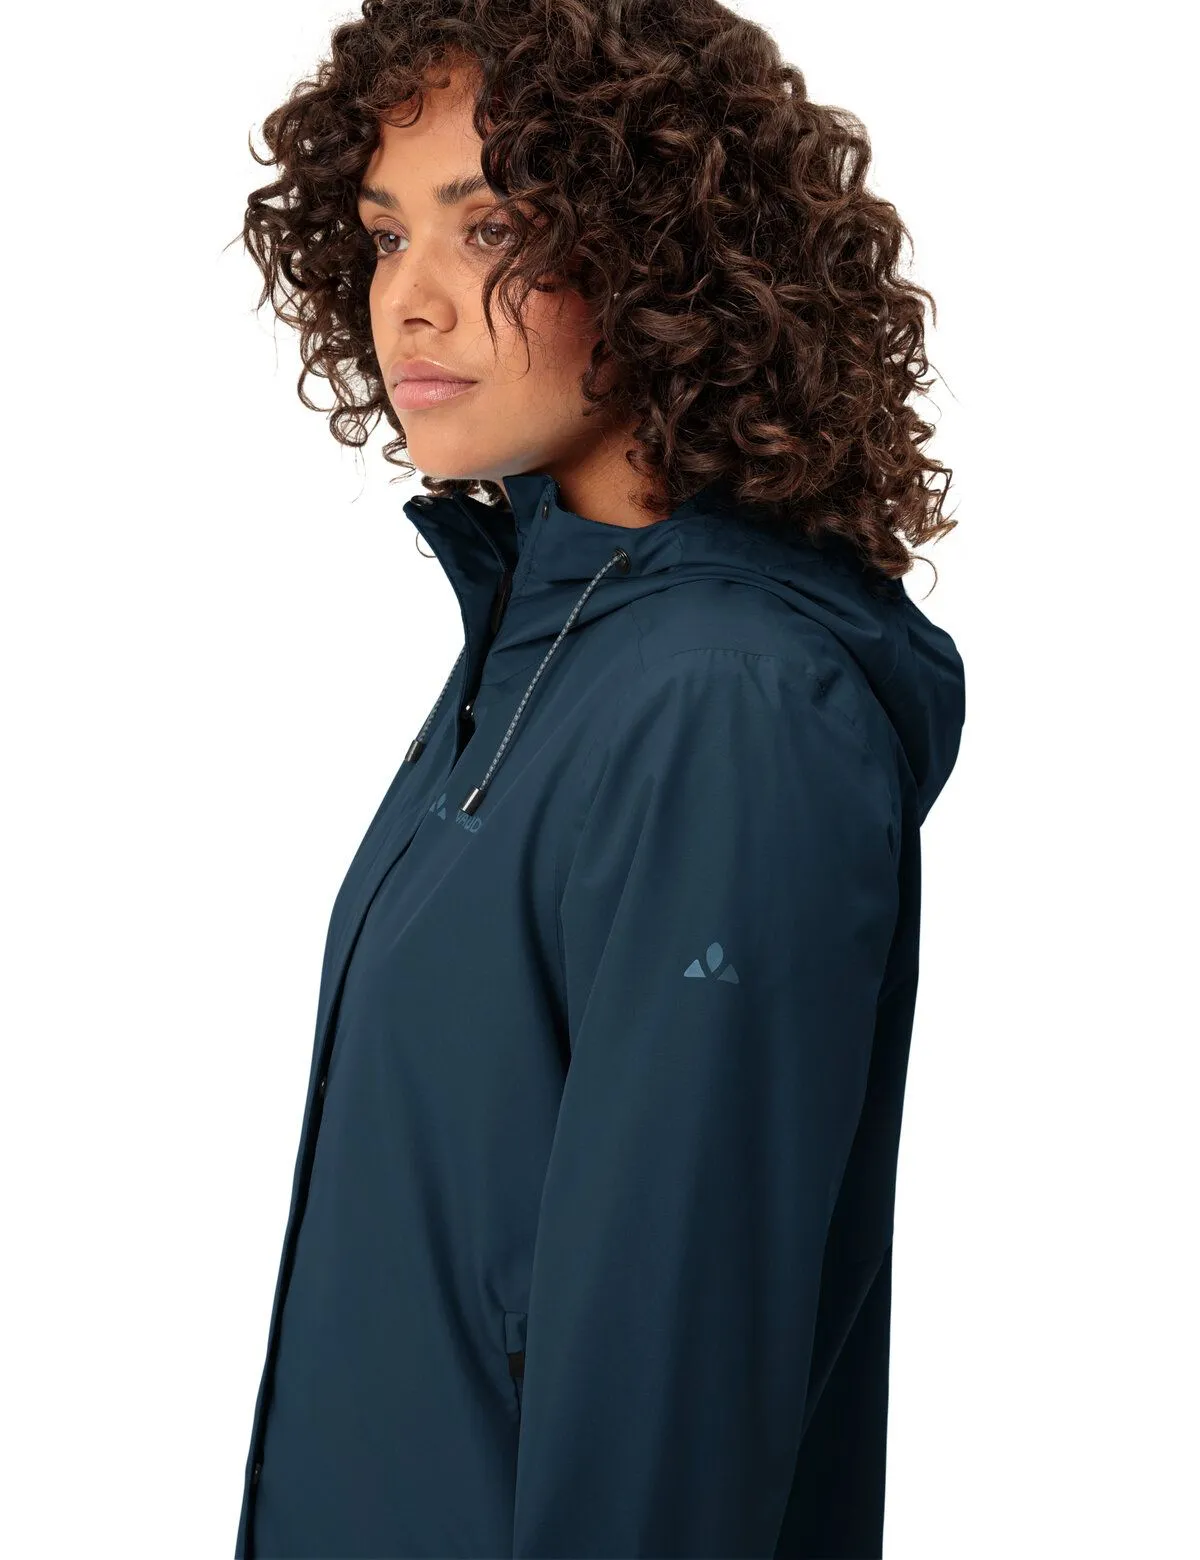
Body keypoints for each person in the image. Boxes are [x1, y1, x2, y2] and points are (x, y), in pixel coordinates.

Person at [233, 3, 966, 1556]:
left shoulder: (726, 706)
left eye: (489, 226)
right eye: (385, 235)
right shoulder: (545, 646)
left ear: (662, 256)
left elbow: (672, 1393)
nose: (410, 299)